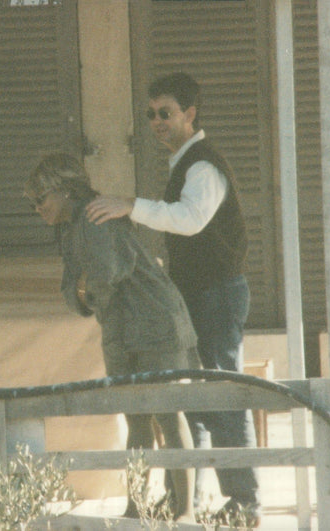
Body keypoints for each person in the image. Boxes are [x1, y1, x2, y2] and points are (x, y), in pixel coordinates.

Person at [85, 72, 261, 527]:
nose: (156, 122)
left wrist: (131, 205)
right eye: (151, 114)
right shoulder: (185, 162)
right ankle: (188, 497)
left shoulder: (203, 165)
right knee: (192, 401)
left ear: (190, 114)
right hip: (195, 294)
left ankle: (244, 502)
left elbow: (190, 219)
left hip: (216, 294)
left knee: (222, 395)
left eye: (165, 112)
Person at [25, 152, 201, 523]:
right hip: (121, 330)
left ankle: (185, 512)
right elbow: (75, 291)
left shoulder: (94, 216)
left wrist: (84, 287)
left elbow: (104, 275)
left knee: (168, 415)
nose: (37, 208)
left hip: (154, 323)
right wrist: (83, 288)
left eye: (40, 199)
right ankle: (137, 508)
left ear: (64, 190)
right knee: (137, 419)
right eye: (33, 203)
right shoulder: (72, 227)